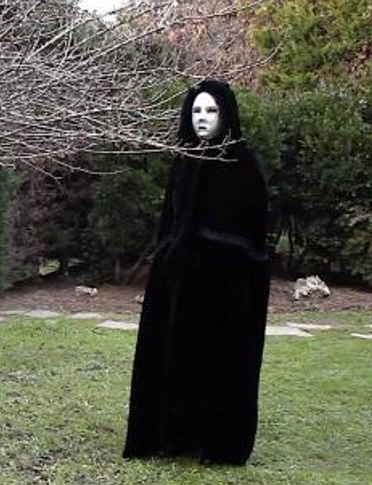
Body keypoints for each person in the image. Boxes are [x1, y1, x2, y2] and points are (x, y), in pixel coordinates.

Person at [122, 79, 271, 465]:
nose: (202, 118)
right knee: (173, 357)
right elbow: (170, 223)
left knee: (216, 358)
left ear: (227, 114)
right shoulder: (184, 159)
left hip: (223, 286)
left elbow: (251, 234)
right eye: (196, 111)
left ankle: (214, 440)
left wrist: (214, 256)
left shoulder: (241, 165)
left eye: (211, 110)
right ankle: (172, 435)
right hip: (178, 281)